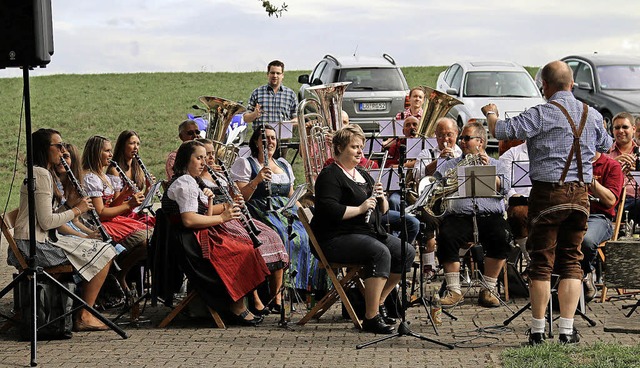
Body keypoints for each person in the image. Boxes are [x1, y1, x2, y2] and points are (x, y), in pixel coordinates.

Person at [485, 60, 613, 345]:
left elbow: (502, 131)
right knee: (571, 260)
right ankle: (567, 329)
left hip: (547, 194)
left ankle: (538, 328)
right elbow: (606, 145)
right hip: (581, 195)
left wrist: (492, 115)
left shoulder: (541, 113)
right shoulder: (591, 114)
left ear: (545, 86)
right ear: (571, 84)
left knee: (541, 262)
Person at [7, 128, 116, 332]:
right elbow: (47, 222)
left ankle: (74, 310)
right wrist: (78, 209)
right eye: (57, 146)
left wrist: (68, 207)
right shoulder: (40, 175)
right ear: (44, 149)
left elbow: (44, 216)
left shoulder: (41, 173)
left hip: (37, 241)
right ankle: (85, 315)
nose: (62, 149)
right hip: (33, 247)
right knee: (106, 252)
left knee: (99, 247)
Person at [311, 124, 415, 334]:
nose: (360, 152)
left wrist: (381, 197)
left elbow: (383, 211)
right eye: (354, 147)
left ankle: (379, 304)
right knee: (379, 252)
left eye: (361, 147)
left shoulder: (363, 175)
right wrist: (360, 208)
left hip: (364, 233)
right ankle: (371, 318)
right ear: (339, 148)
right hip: (336, 237)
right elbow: (330, 210)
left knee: (406, 252)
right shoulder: (330, 175)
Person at [162, 140, 272, 326]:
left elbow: (201, 213)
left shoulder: (191, 181)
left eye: (205, 158)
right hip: (190, 242)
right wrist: (223, 218)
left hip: (196, 235)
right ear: (185, 160)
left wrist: (219, 205)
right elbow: (189, 220)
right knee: (241, 251)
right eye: (199, 158)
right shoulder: (185, 182)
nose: (204, 162)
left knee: (246, 246)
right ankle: (236, 306)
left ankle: (238, 302)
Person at [197, 138, 289, 315]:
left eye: (211, 154)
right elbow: (202, 210)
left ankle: (276, 296)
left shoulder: (220, 175)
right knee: (249, 247)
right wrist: (228, 206)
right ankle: (254, 299)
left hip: (234, 216)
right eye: (205, 155)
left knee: (273, 237)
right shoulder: (196, 181)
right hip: (219, 220)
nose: (210, 158)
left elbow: (235, 196)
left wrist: (235, 198)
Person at [231, 125, 322, 300]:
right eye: (264, 139)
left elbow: (291, 194)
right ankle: (280, 292)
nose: (270, 142)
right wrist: (256, 180)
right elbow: (241, 197)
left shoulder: (283, 164)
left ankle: (303, 288)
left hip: (285, 210)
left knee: (309, 234)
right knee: (283, 235)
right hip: (260, 210)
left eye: (273, 138)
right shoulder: (246, 163)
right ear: (256, 142)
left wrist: (304, 214)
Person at [435, 122, 512, 309]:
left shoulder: (497, 164)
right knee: (446, 236)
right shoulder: (449, 165)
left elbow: (507, 188)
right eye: (461, 138)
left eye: (467, 138)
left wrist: (488, 173)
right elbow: (435, 187)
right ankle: (454, 291)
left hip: (489, 215)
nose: (462, 142)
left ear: (481, 142)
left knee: (503, 236)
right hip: (459, 215)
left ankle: (488, 289)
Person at [82, 135, 151, 293]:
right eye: (107, 151)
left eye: (110, 150)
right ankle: (119, 273)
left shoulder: (103, 176)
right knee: (146, 240)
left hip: (109, 220)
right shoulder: (90, 178)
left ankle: (121, 272)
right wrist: (128, 204)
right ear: (95, 153)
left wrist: (126, 193)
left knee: (151, 236)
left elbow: (111, 206)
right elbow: (101, 213)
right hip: (96, 225)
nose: (111, 154)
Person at [581, 151, 623, 302]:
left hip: (598, 217)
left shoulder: (611, 165)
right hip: (572, 214)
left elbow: (611, 200)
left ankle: (586, 274)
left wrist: (590, 179)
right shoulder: (569, 163)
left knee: (586, 240)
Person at [108, 130, 156, 226]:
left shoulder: (137, 168)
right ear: (122, 146)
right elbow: (114, 204)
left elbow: (141, 202)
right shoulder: (115, 171)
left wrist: (148, 188)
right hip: (122, 216)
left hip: (135, 213)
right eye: (132, 143)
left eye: (138, 144)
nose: (136, 147)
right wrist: (131, 202)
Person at [499, 142, 531, 262]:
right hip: (521, 202)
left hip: (542, 199)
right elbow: (505, 182)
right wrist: (514, 195)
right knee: (519, 213)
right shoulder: (512, 154)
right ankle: (530, 260)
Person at [243, 60, 298, 131]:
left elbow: (297, 119)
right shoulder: (257, 93)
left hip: (282, 137)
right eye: (272, 73)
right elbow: (245, 118)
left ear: (282, 75)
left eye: (278, 73)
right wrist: (254, 114)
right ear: (268, 74)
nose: (275, 76)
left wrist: (286, 123)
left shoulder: (291, 95)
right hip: (261, 138)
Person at [606, 112, 640, 223]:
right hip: (610, 199)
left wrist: (636, 172)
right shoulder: (605, 153)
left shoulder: (638, 151)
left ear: (634, 129)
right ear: (612, 131)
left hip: (635, 201)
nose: (621, 131)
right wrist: (613, 165)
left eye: (625, 127)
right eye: (617, 128)